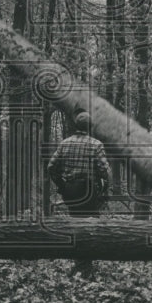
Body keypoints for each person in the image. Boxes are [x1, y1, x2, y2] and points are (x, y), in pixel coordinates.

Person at [47, 110, 111, 278]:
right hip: (89, 191)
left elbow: (51, 167)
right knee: (91, 225)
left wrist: (61, 185)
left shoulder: (65, 143)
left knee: (76, 223)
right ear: (89, 127)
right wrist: (105, 188)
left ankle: (81, 264)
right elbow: (105, 171)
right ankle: (84, 267)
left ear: (76, 125)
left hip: (71, 191)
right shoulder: (96, 144)